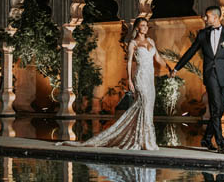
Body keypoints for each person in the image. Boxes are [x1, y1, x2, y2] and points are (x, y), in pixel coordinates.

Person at [57, 17, 171, 150]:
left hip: (150, 79)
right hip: (140, 77)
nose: (145, 27)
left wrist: (169, 68)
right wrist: (129, 80)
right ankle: (142, 140)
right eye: (142, 25)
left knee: (148, 107)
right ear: (137, 28)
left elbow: (158, 58)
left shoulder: (150, 41)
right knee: (144, 103)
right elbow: (129, 63)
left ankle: (145, 139)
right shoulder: (133, 43)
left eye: (146, 25)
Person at [170, 5, 224, 154]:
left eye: (207, 16)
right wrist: (176, 68)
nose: (205, 18)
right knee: (215, 108)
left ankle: (206, 138)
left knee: (220, 110)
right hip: (211, 76)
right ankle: (221, 143)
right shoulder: (202, 34)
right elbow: (190, 52)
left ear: (216, 17)